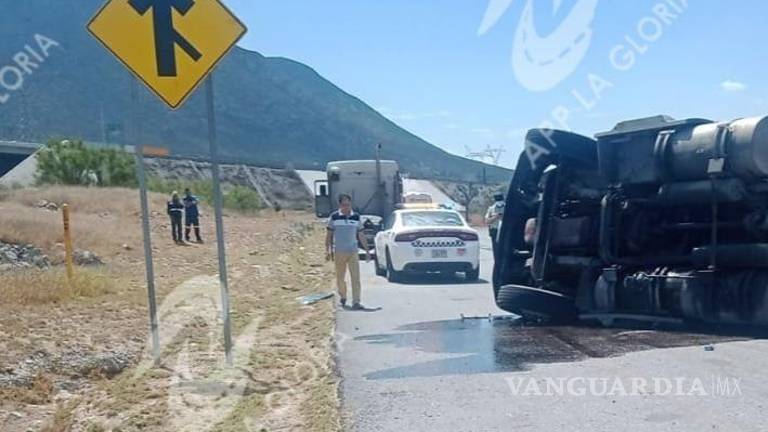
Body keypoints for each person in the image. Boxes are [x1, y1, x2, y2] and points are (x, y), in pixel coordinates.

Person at [326, 194, 371, 310]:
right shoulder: (334, 217)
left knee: (355, 278)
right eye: (344, 205)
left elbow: (361, 235)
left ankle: (356, 301)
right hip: (339, 251)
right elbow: (329, 235)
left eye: (348, 204)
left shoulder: (356, 217)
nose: (346, 207)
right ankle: (343, 295)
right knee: (340, 277)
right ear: (340, 205)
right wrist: (328, 250)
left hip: (353, 251)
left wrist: (367, 251)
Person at [485, 193, 506, 260]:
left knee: (505, 248)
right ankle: (497, 262)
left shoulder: (507, 208)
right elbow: (487, 221)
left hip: (505, 231)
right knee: (496, 249)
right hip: (495, 231)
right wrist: (495, 217)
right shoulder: (491, 209)